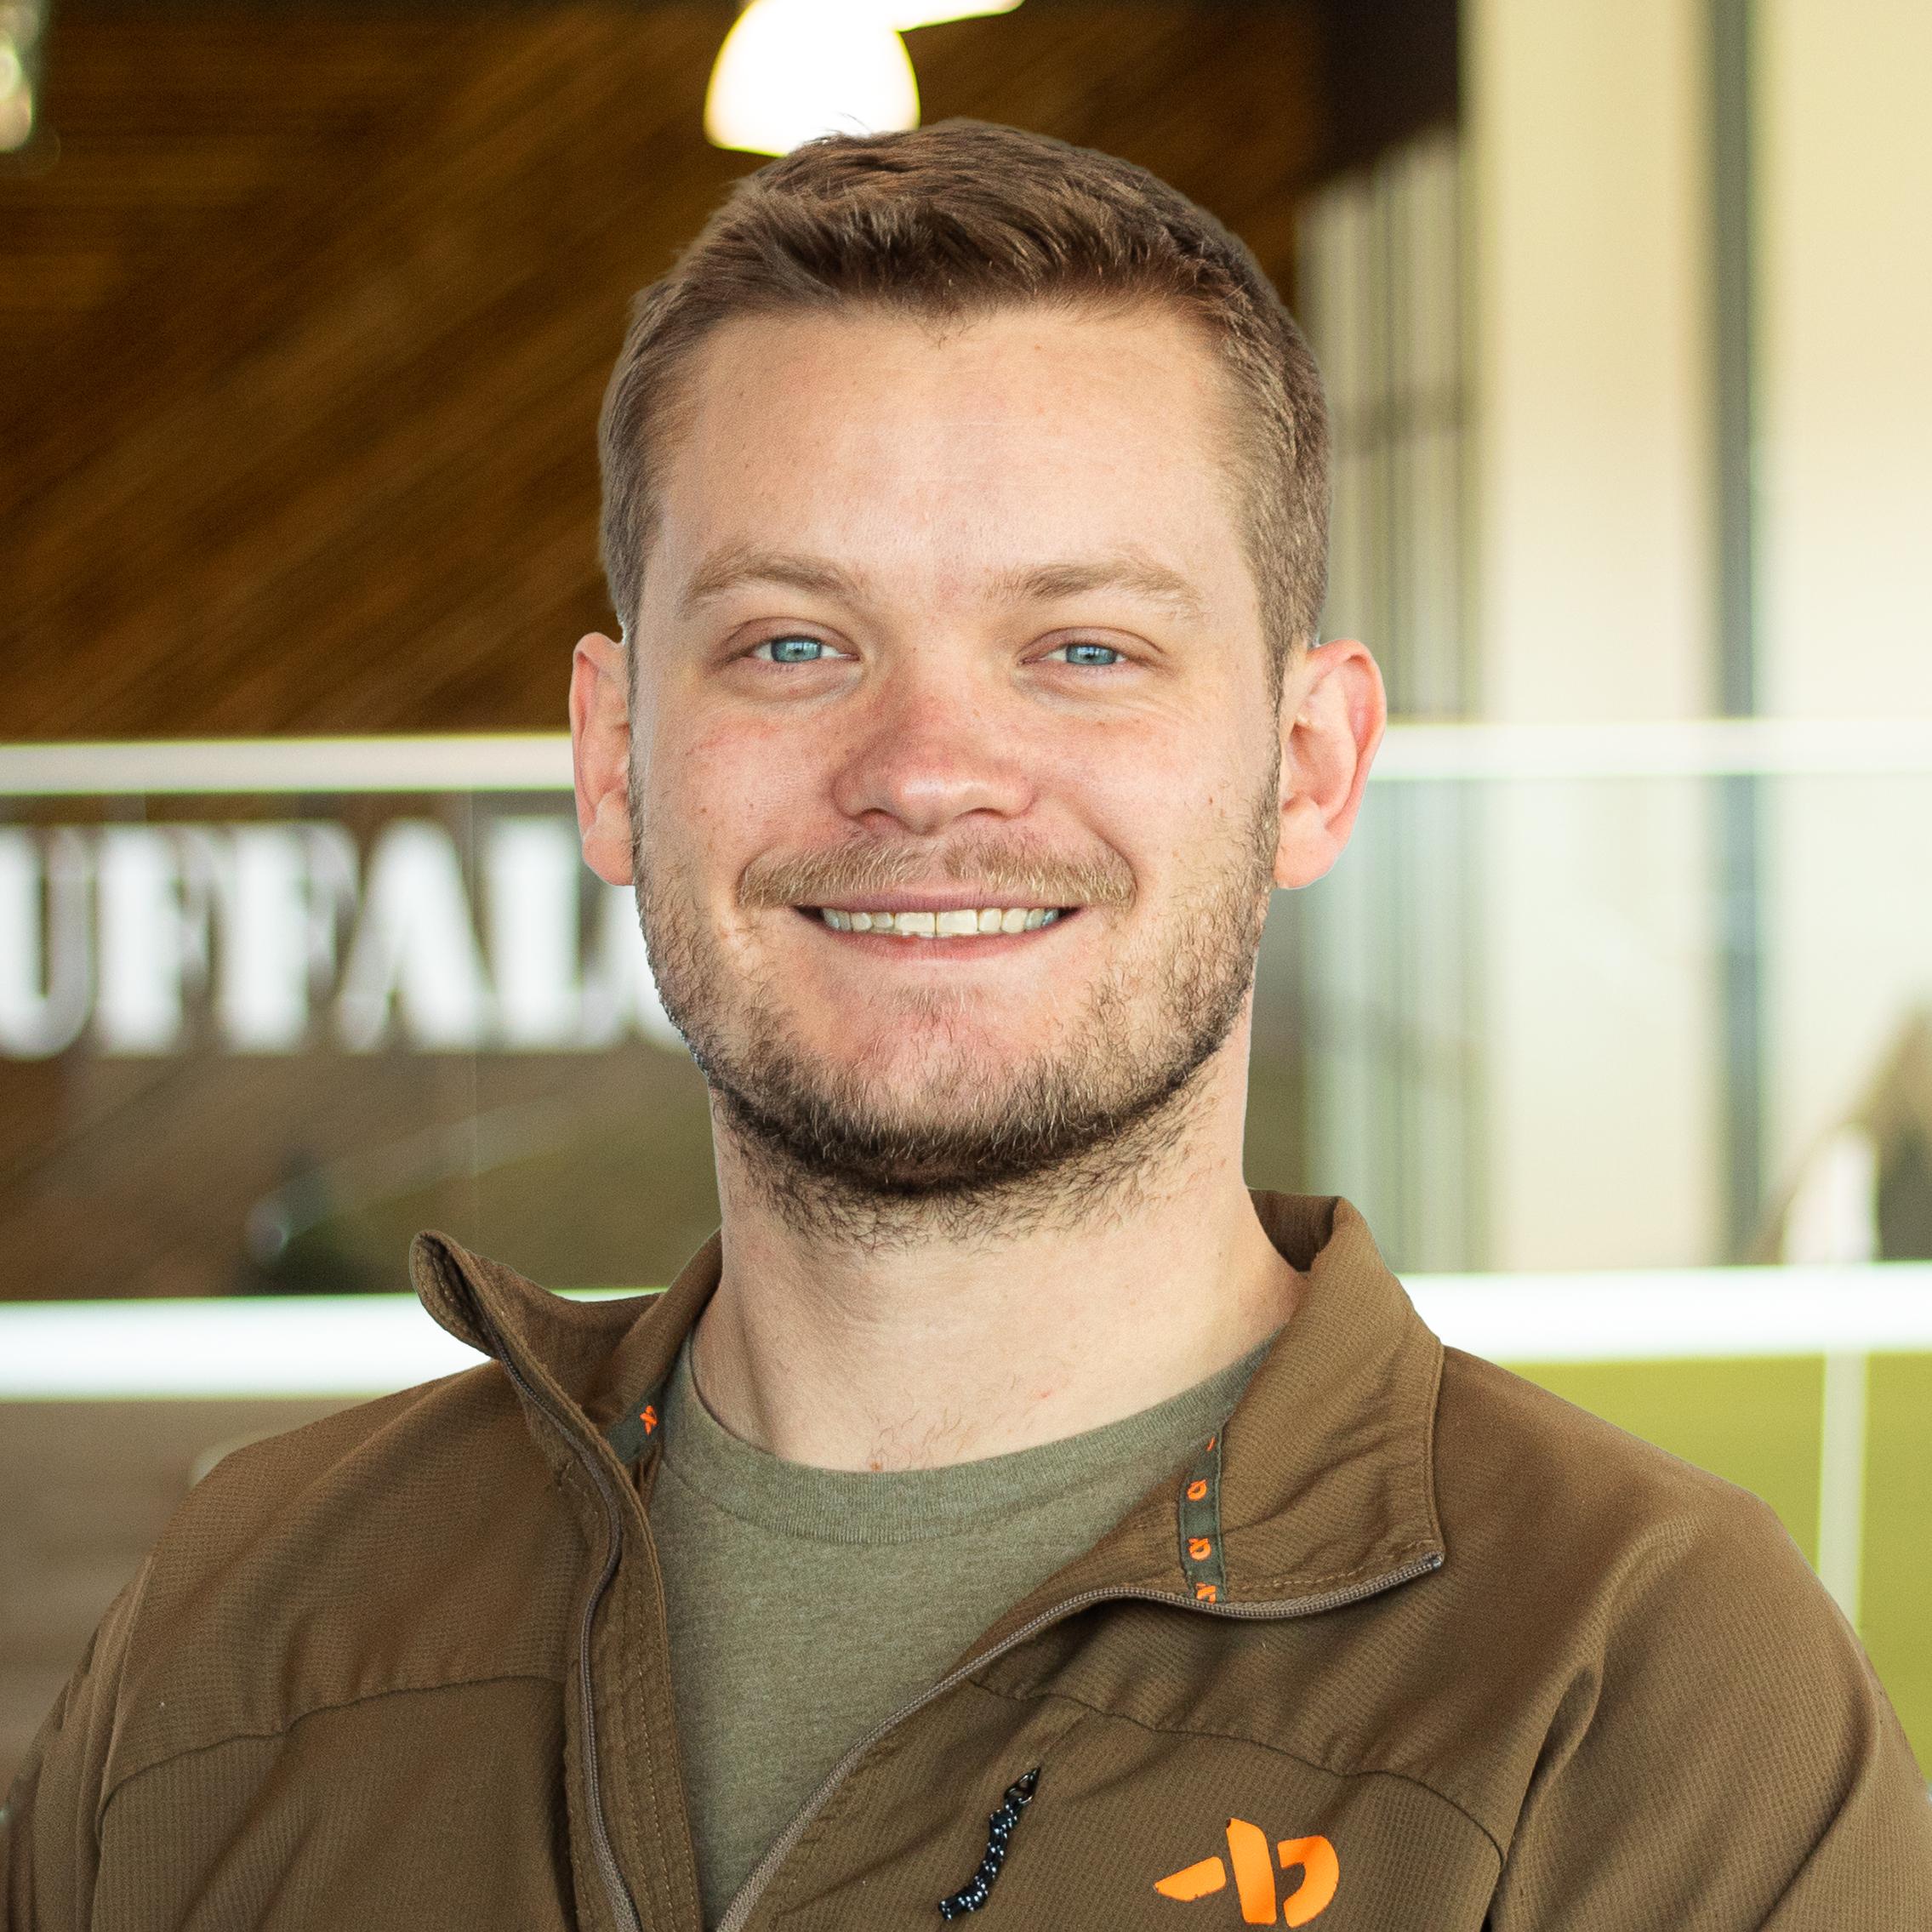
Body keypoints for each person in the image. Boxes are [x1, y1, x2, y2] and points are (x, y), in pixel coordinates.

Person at [5, 121, 1928, 1932]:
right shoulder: (242, 1629)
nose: (927, 771)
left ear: (1309, 765)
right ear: (612, 760)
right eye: (790, 642)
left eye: (1082, 647)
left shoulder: (1646, 1695)